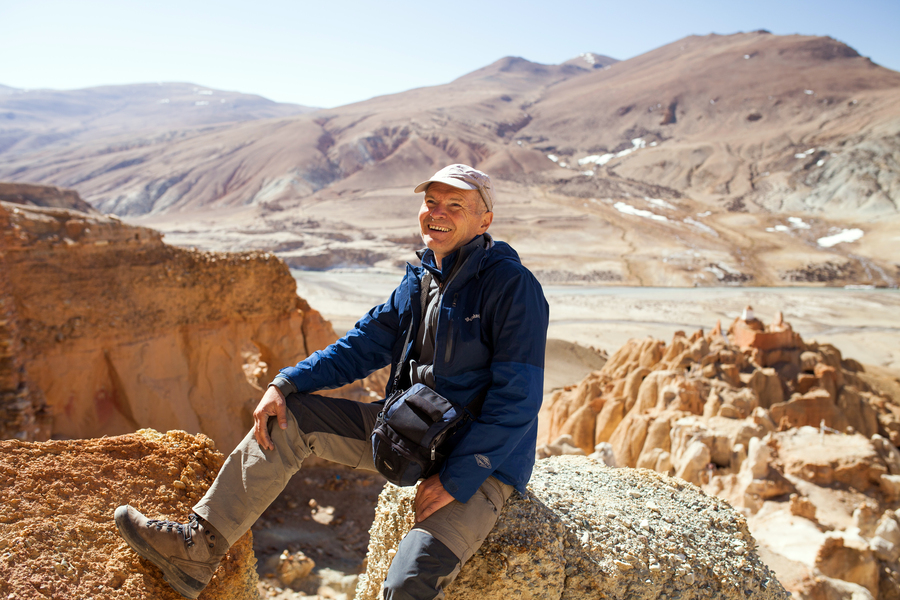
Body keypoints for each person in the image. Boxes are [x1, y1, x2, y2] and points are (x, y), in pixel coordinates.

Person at [114, 164, 549, 600]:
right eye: (431, 202)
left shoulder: (512, 287)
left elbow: (518, 400)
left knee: (407, 584)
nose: (438, 213)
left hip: (482, 460)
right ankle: (198, 547)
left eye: (456, 205)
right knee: (289, 420)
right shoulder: (421, 280)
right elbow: (361, 347)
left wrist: (457, 478)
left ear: (484, 220)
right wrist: (285, 383)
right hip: (412, 435)